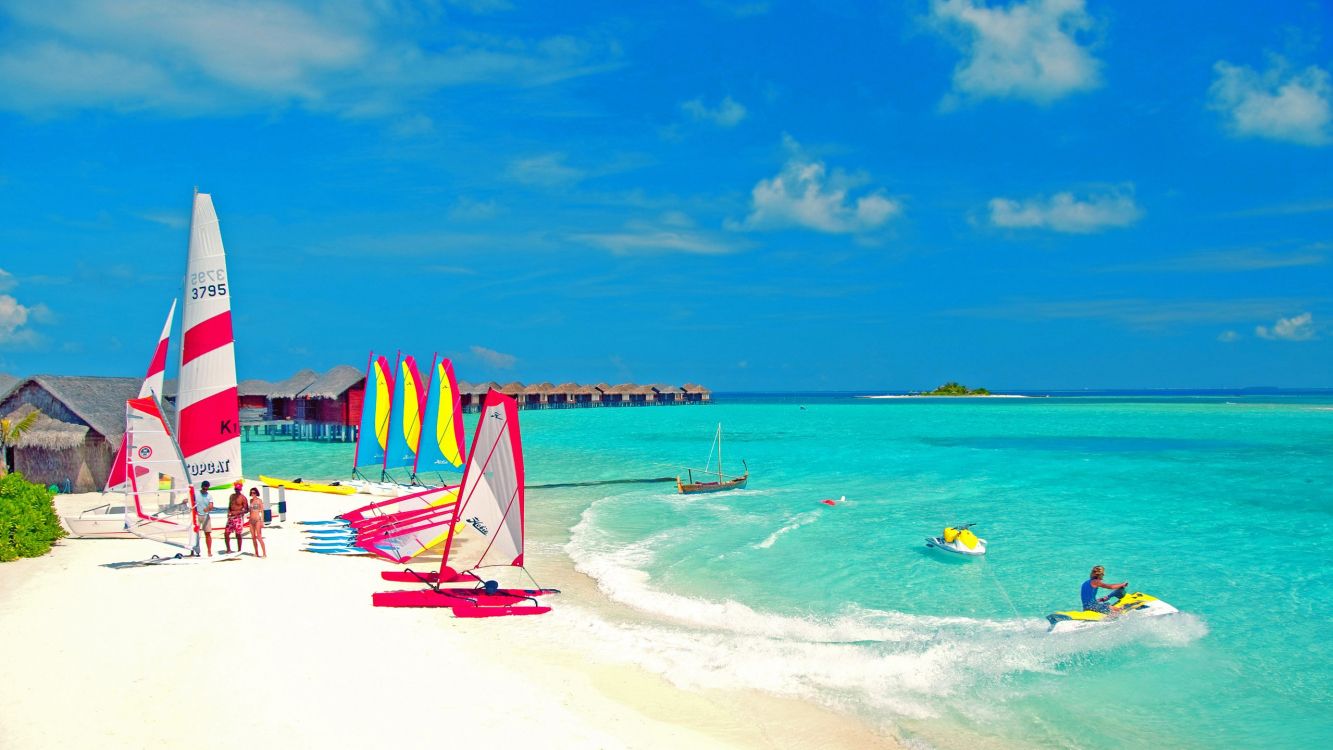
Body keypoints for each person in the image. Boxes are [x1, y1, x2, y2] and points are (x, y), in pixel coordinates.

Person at [225, 481, 247, 553]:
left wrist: (237, 512)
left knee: (238, 534)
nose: (236, 491)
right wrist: (228, 512)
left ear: (240, 489)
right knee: (226, 533)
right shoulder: (231, 496)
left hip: (238, 518)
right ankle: (228, 549)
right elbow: (229, 506)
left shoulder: (243, 498)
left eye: (237, 489)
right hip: (231, 518)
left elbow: (246, 509)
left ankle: (239, 550)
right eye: (235, 489)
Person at [196, 480, 215, 556]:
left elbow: (211, 505)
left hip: (206, 516)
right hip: (197, 515)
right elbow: (190, 500)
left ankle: (209, 551)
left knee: (207, 533)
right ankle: (193, 551)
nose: (205, 489)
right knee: (195, 534)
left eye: (206, 488)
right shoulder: (196, 493)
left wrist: (208, 508)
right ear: (202, 487)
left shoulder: (209, 496)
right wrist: (186, 500)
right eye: (204, 488)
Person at [247, 487, 267, 558]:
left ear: (256, 493)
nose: (253, 494)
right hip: (251, 520)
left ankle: (264, 553)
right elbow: (250, 510)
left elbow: (262, 511)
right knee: (253, 537)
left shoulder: (259, 501)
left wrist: (262, 521)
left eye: (254, 493)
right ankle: (256, 553)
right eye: (251, 493)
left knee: (259, 537)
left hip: (257, 520)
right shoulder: (250, 501)